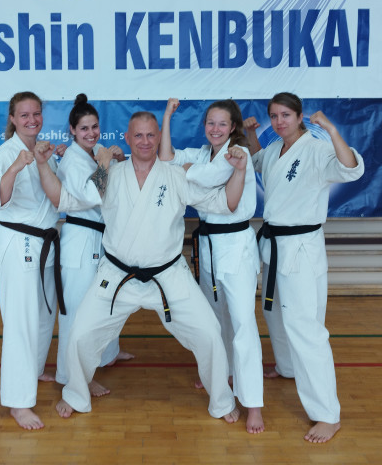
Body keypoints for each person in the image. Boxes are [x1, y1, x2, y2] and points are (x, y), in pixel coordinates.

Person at [34, 111, 249, 423]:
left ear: (159, 137)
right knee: (80, 334)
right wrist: (43, 165)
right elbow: (63, 200)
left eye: (151, 135)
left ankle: (222, 401)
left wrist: (239, 171)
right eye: (138, 135)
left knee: (209, 333)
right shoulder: (109, 174)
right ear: (127, 138)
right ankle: (76, 394)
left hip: (168, 275)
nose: (145, 141)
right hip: (117, 274)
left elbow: (225, 203)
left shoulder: (176, 176)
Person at [244, 92, 364, 444]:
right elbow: (257, 162)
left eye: (286, 115)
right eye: (274, 116)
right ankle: (287, 367)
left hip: (300, 248)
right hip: (274, 245)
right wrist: (250, 133)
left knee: (306, 329)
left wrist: (332, 130)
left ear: (300, 117)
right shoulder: (274, 149)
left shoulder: (317, 148)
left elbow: (351, 169)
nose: (279, 121)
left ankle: (327, 414)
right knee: (274, 314)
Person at [160, 98, 264, 434]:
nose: (215, 129)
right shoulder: (203, 153)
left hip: (235, 246)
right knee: (216, 320)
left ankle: (253, 404)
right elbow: (166, 158)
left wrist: (186, 172)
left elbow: (205, 178)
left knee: (243, 324)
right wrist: (167, 116)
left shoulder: (238, 153)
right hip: (207, 245)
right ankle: (223, 377)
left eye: (221, 123)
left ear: (233, 127)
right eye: (210, 123)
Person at [0, 91, 62, 431]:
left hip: (44, 242)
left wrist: (51, 158)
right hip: (18, 244)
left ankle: (35, 369)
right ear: (13, 119)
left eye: (36, 114)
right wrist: (16, 166)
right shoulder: (5, 154)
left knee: (44, 315)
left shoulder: (42, 151)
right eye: (24, 115)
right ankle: (18, 402)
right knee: (20, 323)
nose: (32, 120)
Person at [55, 94, 134, 395]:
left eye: (95, 127)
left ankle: (108, 353)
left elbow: (120, 186)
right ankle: (74, 377)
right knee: (77, 311)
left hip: (102, 238)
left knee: (105, 301)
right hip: (80, 238)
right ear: (73, 131)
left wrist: (118, 160)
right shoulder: (73, 159)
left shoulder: (93, 153)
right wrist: (104, 162)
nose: (91, 133)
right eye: (84, 128)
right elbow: (93, 194)